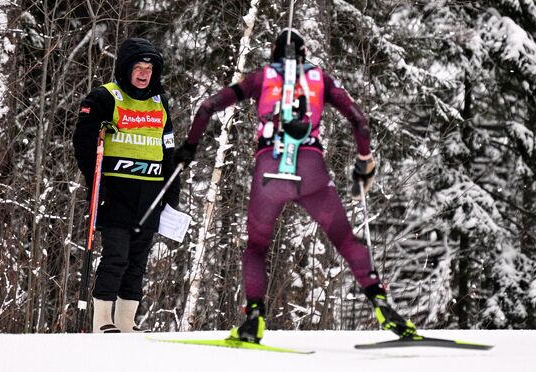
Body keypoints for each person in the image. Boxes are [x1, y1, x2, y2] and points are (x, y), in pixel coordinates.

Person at [174, 28, 416, 343]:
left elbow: (207, 106)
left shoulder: (260, 78)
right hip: (311, 171)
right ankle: (380, 302)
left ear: (275, 51)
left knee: (257, 248)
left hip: (270, 171)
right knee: (345, 240)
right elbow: (360, 122)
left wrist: (189, 147)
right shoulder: (321, 79)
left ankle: (254, 318)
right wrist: (363, 161)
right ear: (304, 53)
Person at [73, 37, 180, 333]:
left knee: (137, 261)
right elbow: (83, 143)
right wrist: (96, 184)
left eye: (149, 68)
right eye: (138, 67)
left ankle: (126, 323)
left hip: (150, 194)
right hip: (116, 193)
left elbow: (168, 148)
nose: (144, 73)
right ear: (126, 68)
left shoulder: (160, 102)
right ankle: (102, 322)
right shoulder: (105, 97)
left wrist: (172, 191)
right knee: (116, 257)